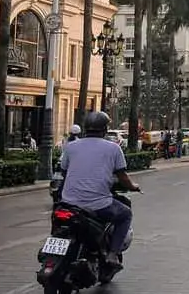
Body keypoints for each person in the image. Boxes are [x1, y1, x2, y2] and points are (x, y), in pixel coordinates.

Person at [57, 111, 140, 268]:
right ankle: (113, 254)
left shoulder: (71, 147)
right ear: (105, 129)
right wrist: (133, 187)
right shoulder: (113, 148)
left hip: (68, 202)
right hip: (98, 204)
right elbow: (122, 176)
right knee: (125, 214)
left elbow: (64, 171)